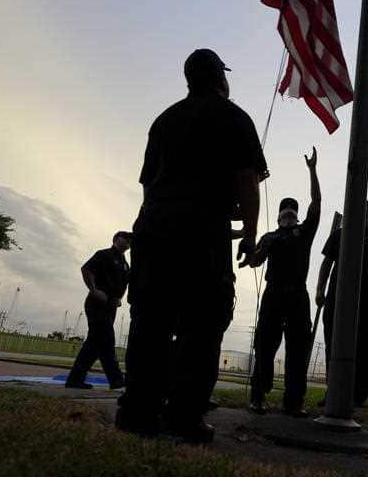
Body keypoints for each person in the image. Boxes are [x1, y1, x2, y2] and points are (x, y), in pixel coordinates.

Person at [116, 49, 267, 443]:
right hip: (202, 233)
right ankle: (184, 417)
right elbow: (248, 182)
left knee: (150, 320)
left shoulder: (164, 120)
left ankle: (137, 412)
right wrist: (250, 236)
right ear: (221, 78)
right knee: (202, 324)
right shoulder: (235, 117)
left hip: (154, 226)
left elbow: (150, 185)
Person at [247, 147, 321, 417]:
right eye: (284, 209)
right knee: (265, 347)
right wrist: (252, 252)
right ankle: (257, 397)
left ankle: (293, 402)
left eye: (293, 209)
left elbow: (316, 204)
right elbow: (255, 261)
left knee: (298, 350)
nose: (289, 211)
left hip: (298, 297)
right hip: (273, 295)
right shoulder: (269, 237)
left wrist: (312, 171)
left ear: (297, 215)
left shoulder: (305, 233)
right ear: (278, 216)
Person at [315, 201, 368, 407]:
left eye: (367, 213)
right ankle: (333, 392)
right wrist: (319, 290)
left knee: (362, 345)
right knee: (333, 343)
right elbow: (326, 263)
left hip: (365, 299)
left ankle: (358, 396)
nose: (362, 215)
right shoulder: (339, 234)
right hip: (336, 297)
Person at [65, 231, 132, 390]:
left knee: (94, 343)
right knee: (106, 338)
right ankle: (116, 378)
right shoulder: (104, 255)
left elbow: (123, 284)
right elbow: (86, 270)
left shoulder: (125, 264)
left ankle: (75, 379)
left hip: (110, 306)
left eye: (130, 240)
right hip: (97, 302)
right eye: (125, 238)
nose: (128, 241)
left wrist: (118, 298)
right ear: (116, 239)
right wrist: (94, 290)